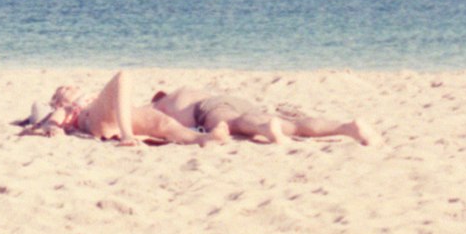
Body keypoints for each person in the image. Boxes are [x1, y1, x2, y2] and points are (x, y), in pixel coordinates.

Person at [23, 70, 220, 146]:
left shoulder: (92, 96)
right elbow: (52, 121)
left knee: (162, 122)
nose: (70, 88)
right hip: (96, 119)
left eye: (72, 86)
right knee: (124, 76)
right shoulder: (70, 108)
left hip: (120, 115)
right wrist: (51, 126)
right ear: (58, 102)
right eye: (63, 90)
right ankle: (127, 136)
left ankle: (202, 139)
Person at [150, 84, 376, 145]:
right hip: (232, 100)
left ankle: (264, 130)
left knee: (234, 122)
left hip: (207, 109)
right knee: (293, 125)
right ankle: (346, 128)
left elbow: (156, 125)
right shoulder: (188, 90)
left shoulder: (161, 104)